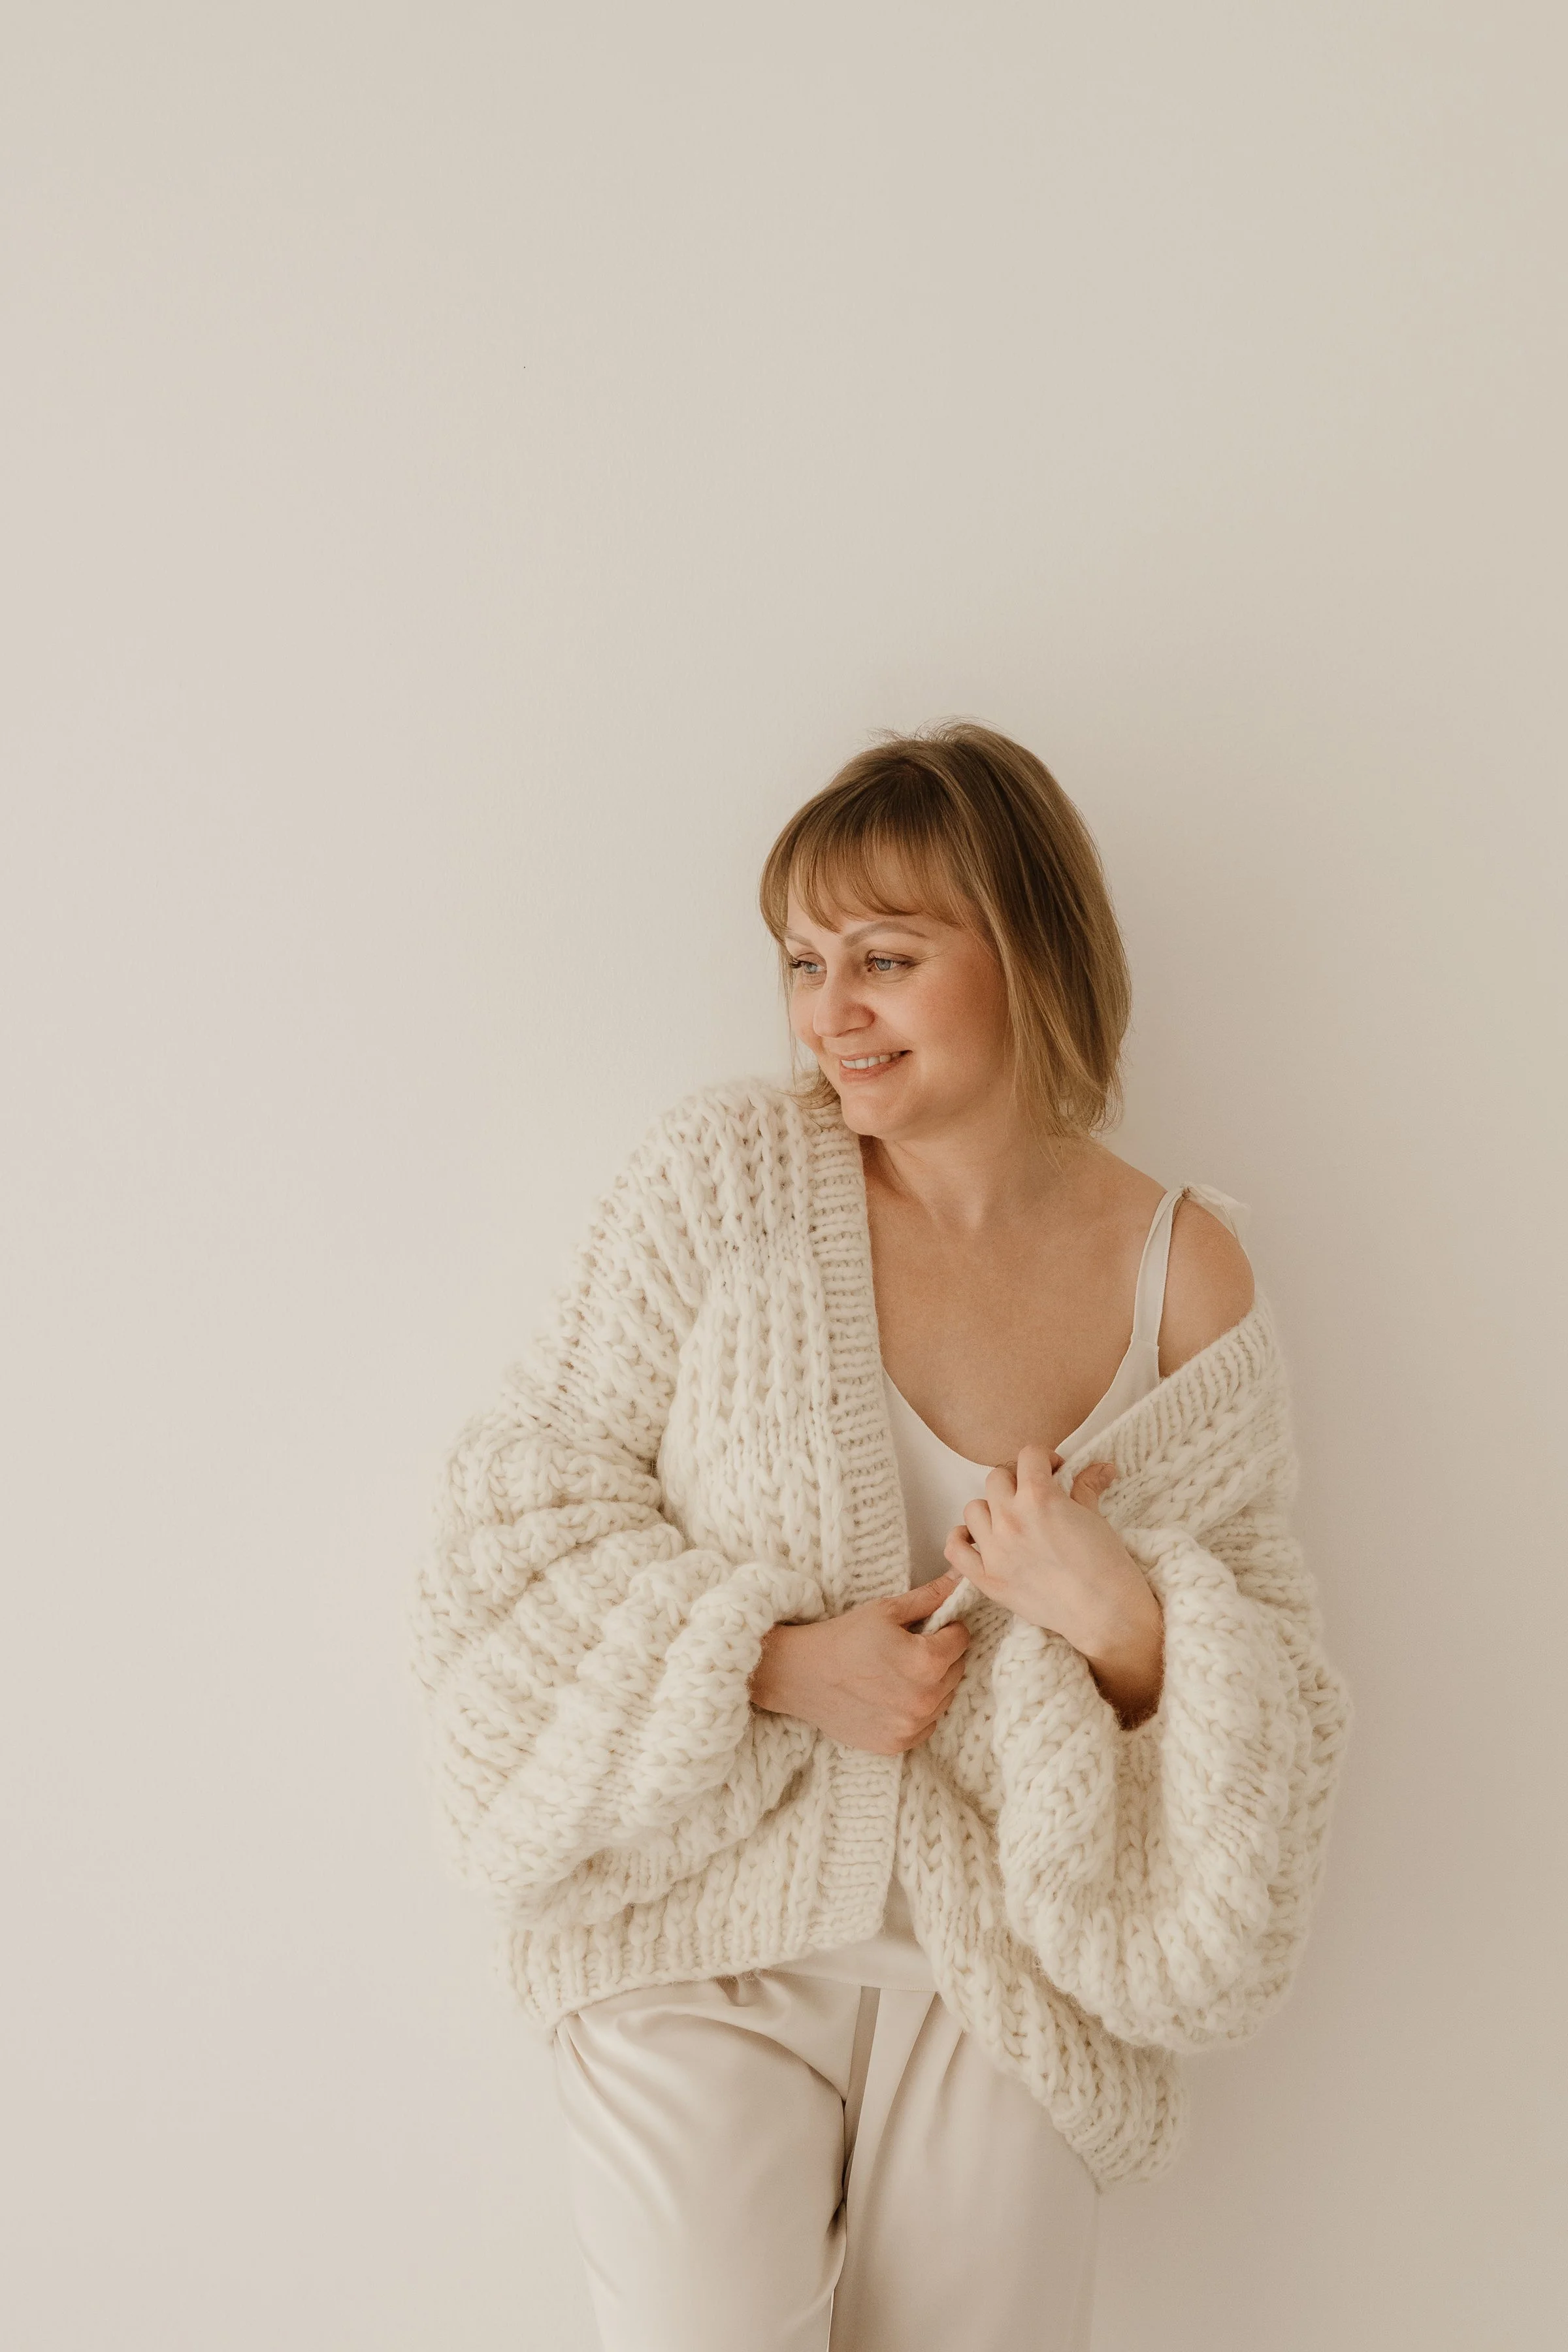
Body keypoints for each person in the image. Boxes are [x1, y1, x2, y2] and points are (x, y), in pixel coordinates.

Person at [410, 721, 1353, 2352]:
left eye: (887, 957)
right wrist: (770, 1667)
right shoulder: (723, 1185)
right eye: (802, 961)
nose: (829, 1011)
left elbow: (1275, 1701)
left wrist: (1122, 1617)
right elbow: (515, 1519)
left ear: (1031, 949)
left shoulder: (1182, 1276)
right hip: (700, 1935)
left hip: (1008, 1979)